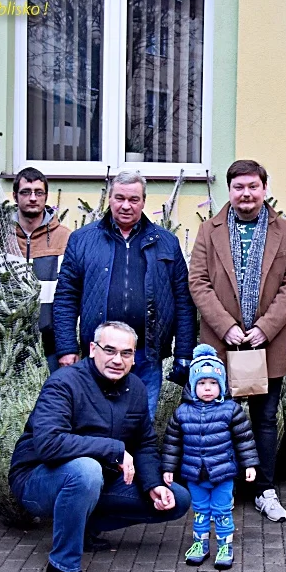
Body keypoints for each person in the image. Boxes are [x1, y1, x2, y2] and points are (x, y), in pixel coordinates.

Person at [9, 321, 191, 572]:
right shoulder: (64, 382)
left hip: (98, 478)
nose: (118, 360)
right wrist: (112, 449)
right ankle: (61, 568)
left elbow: (143, 443)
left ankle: (82, 528)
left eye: (126, 353)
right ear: (93, 349)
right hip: (38, 479)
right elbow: (48, 444)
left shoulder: (137, 388)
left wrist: (154, 484)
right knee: (86, 470)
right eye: (110, 350)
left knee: (177, 499)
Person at [189, 160, 286, 523]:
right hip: (223, 343)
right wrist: (226, 327)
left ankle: (264, 489)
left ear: (264, 188)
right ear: (230, 190)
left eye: (253, 186)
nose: (246, 194)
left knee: (265, 419)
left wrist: (265, 328)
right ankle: (223, 484)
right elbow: (199, 283)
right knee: (219, 417)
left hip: (267, 344)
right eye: (239, 187)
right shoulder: (210, 231)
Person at [53, 171, 195, 420]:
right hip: (100, 354)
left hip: (147, 355)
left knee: (142, 424)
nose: (126, 205)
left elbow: (184, 301)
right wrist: (66, 347)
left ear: (143, 201)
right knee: (96, 422)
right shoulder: (82, 240)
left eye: (133, 199)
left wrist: (184, 352)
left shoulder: (167, 243)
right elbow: (66, 297)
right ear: (110, 198)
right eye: (119, 198)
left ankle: (137, 461)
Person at [161, 344, 259, 569]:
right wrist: (168, 468)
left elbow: (244, 439)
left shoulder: (231, 410)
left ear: (222, 385)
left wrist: (250, 465)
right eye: (202, 383)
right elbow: (172, 443)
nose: (207, 388)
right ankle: (200, 543)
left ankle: (225, 545)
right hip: (194, 472)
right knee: (200, 510)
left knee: (222, 510)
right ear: (192, 385)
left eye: (213, 383)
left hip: (222, 472)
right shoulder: (182, 412)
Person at [12, 167, 71, 373]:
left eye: (39, 192)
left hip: (52, 345)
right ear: (15, 196)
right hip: (9, 346)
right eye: (26, 192)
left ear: (46, 197)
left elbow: (72, 293)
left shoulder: (65, 238)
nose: (33, 198)